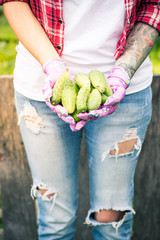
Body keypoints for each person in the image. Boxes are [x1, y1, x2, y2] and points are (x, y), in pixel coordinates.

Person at [1, 0, 160, 239]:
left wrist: (124, 70)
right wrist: (53, 66)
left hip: (126, 91)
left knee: (112, 225)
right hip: (40, 90)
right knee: (55, 222)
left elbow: (154, 4)